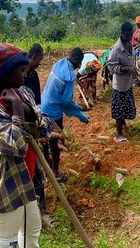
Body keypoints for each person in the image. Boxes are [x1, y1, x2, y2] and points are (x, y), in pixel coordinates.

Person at [0, 43, 55, 248]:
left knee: (31, 231)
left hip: (25, 180)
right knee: (3, 241)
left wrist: (26, 110)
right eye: (20, 70)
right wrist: (19, 111)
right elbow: (17, 144)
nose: (26, 73)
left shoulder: (21, 92)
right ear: (4, 74)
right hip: (4, 185)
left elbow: (44, 126)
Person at [40, 48, 90, 189]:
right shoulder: (68, 76)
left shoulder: (59, 64)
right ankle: (55, 173)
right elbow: (66, 103)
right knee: (55, 143)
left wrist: (78, 107)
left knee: (45, 136)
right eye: (79, 64)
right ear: (76, 61)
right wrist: (82, 116)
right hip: (53, 112)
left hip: (43, 105)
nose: (78, 67)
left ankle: (46, 162)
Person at [105, 22, 139, 143]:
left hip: (128, 83)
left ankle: (123, 124)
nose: (129, 37)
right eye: (127, 35)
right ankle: (118, 134)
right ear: (121, 34)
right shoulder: (116, 49)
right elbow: (111, 66)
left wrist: (134, 69)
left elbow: (131, 61)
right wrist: (127, 69)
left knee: (126, 107)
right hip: (119, 85)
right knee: (119, 110)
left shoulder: (129, 44)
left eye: (130, 35)